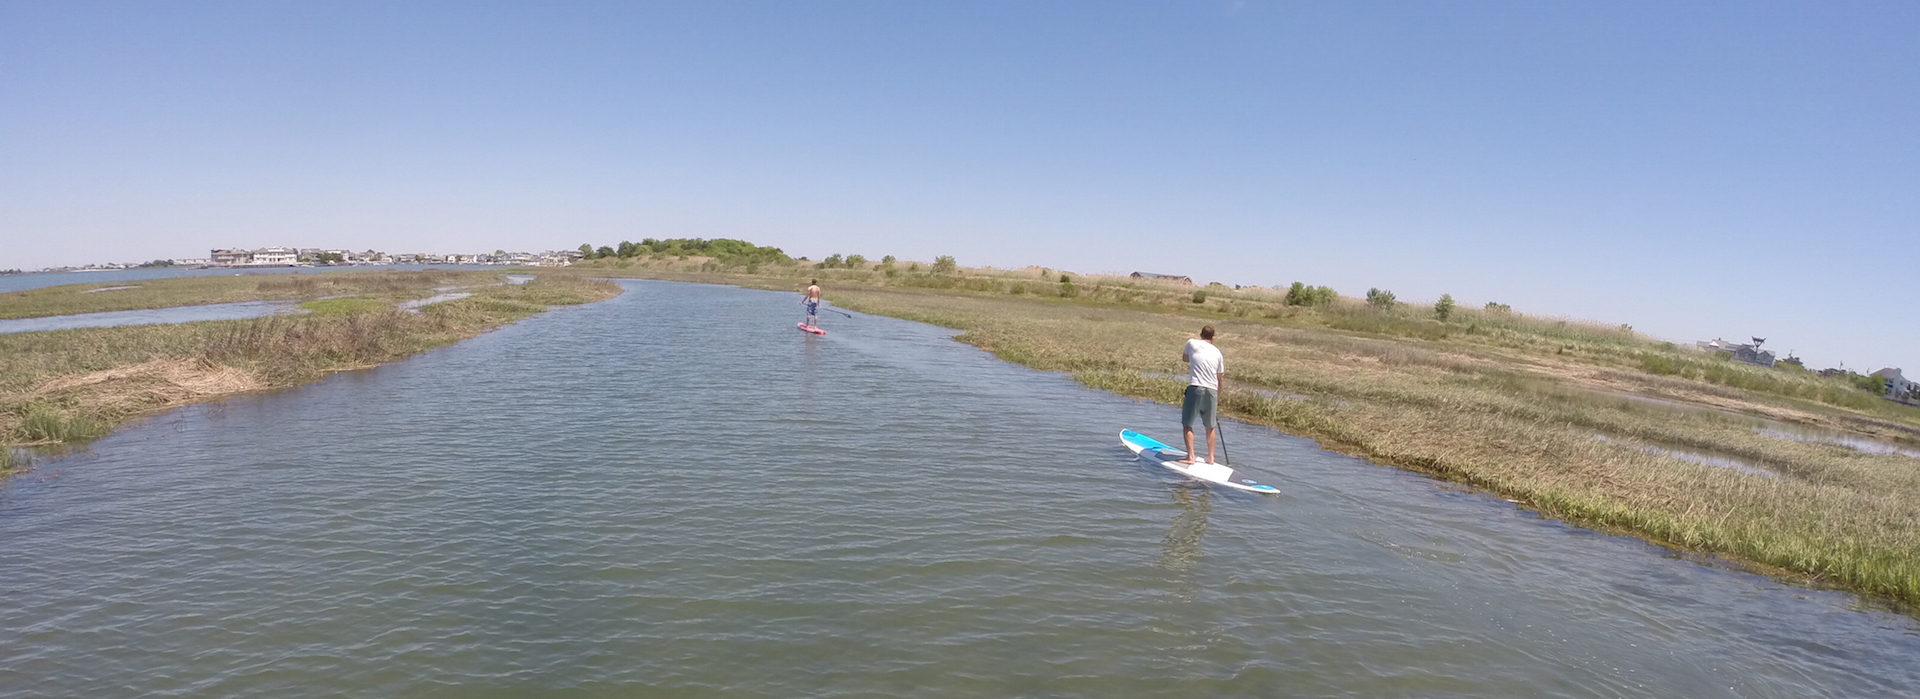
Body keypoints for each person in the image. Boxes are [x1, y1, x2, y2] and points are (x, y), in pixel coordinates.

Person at [1179, 325, 1224, 465]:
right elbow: (1220, 379)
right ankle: (1211, 458)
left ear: (1201, 334)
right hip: (1212, 391)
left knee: (1187, 424)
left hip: (1196, 387)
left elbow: (1185, 358)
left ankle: (1190, 457)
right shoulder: (1218, 353)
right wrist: (1217, 398)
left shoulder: (1192, 343)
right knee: (1210, 426)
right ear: (1213, 337)